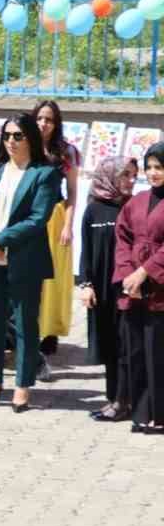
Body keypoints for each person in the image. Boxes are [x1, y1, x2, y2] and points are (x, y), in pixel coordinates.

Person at [0, 112, 60, 413]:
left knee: (24, 323)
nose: (11, 141)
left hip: (23, 259)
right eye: (6, 136)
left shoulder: (44, 174)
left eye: (18, 135)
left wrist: (1, 240)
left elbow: (38, 218)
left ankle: (22, 385)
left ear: (31, 138)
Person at [82, 157, 135, 422]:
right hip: (100, 289)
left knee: (125, 344)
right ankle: (113, 398)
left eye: (133, 175)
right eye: (126, 174)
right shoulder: (93, 209)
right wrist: (86, 284)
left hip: (125, 287)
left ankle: (125, 401)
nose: (131, 180)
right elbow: (87, 251)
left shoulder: (133, 207)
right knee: (107, 344)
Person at [116, 144, 164, 433]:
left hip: (159, 289)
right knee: (135, 352)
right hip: (133, 290)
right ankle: (141, 411)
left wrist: (146, 272)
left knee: (158, 351)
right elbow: (121, 239)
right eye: (150, 167)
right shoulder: (135, 202)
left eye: (159, 167)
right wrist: (127, 277)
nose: (153, 173)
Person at [35, 100, 79, 367]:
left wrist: (68, 225)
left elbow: (73, 190)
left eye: (49, 119)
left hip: (55, 218)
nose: (43, 123)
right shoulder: (22, 144)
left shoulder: (66, 152)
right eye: (40, 118)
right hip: (28, 219)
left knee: (53, 279)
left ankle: (49, 331)